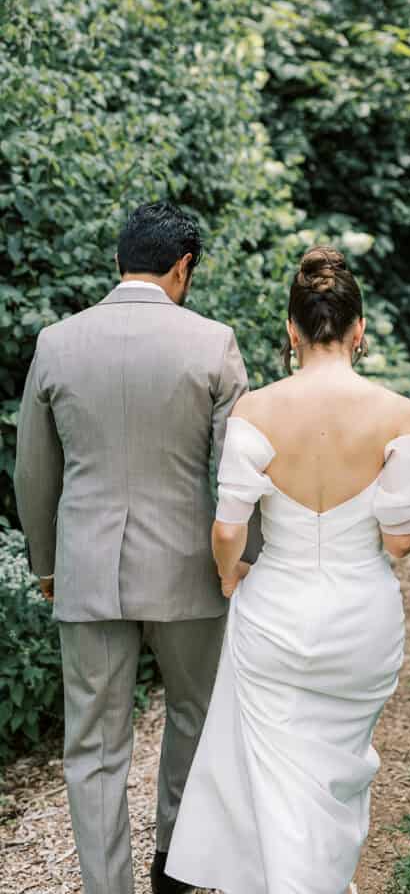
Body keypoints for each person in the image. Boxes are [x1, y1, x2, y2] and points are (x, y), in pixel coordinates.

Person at [165, 245, 410, 894]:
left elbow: (228, 527)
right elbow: (399, 539)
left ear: (291, 331)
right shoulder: (396, 414)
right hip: (358, 621)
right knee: (334, 783)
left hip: (274, 619)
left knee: (278, 783)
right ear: (358, 330)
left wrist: (230, 576)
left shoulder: (255, 410)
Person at [13, 201, 261, 894]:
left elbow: (33, 469)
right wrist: (244, 557)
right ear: (182, 267)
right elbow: (238, 468)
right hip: (191, 571)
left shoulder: (56, 342)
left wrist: (46, 563)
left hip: (87, 571)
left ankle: (107, 886)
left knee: (92, 745)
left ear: (118, 260)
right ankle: (176, 868)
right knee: (196, 715)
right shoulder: (214, 343)